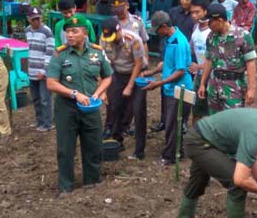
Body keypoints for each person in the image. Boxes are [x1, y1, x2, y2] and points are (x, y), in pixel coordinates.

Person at [46, 16, 113, 196]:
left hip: (90, 108)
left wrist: (98, 93)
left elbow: (107, 76)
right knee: (65, 148)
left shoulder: (97, 52)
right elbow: (51, 83)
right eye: (67, 31)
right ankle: (65, 186)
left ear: (85, 33)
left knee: (93, 145)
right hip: (66, 109)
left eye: (74, 31)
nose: (70, 35)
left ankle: (92, 181)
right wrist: (74, 94)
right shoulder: (60, 54)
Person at [141, 11, 194, 165]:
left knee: (173, 123)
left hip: (180, 90)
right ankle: (177, 150)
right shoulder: (171, 39)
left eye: (157, 30)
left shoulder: (179, 42)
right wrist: (152, 72)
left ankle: (170, 156)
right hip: (171, 88)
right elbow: (168, 63)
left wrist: (158, 83)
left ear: (164, 26)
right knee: (172, 122)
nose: (157, 33)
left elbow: (180, 70)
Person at [100, 18, 148, 159]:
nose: (110, 40)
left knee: (138, 111)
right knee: (114, 106)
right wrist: (103, 89)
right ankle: (117, 140)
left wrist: (129, 86)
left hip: (137, 75)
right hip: (117, 74)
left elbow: (138, 64)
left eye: (113, 37)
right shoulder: (104, 39)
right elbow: (104, 64)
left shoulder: (134, 39)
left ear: (119, 30)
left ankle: (139, 150)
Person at [198, 3, 257, 114]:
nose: (208, 25)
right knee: (214, 121)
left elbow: (251, 63)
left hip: (234, 86)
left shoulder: (243, 36)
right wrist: (202, 83)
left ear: (219, 20)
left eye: (210, 22)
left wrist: (251, 89)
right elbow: (208, 60)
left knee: (233, 121)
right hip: (214, 85)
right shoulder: (211, 36)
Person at [25, 6, 56, 132]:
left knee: (45, 99)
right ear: (29, 19)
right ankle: (39, 121)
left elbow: (50, 52)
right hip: (32, 69)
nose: (37, 21)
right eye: (34, 19)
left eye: (38, 19)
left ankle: (48, 123)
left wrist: (44, 70)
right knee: (36, 99)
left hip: (43, 71)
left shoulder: (47, 31)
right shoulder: (27, 30)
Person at [189, 0, 213, 121]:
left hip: (212, 76)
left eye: (197, 12)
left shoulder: (212, 31)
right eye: (192, 12)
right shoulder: (195, 28)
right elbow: (191, 49)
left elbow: (215, 59)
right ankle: (196, 135)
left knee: (211, 110)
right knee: (196, 108)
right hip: (199, 76)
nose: (193, 15)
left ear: (205, 12)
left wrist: (198, 66)